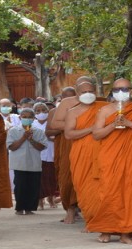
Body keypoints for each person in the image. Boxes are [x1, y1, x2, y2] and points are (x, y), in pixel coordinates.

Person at [90, 78, 132, 245]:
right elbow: (96, 134)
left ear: (131, 91)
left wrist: (129, 123)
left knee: (131, 193)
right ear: (112, 91)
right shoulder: (105, 110)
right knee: (108, 193)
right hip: (110, 157)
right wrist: (113, 125)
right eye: (117, 89)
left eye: (125, 89)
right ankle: (106, 230)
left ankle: (125, 233)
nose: (121, 92)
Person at [64, 79, 107, 224]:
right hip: (81, 154)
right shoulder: (72, 112)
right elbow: (69, 134)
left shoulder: (104, 107)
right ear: (77, 94)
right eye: (84, 92)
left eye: (91, 91)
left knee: (103, 187)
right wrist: (91, 128)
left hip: (102, 152)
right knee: (84, 187)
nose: (88, 94)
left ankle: (104, 221)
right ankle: (90, 220)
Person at [50, 81, 87, 224]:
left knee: (86, 180)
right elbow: (50, 129)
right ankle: (70, 211)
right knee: (67, 179)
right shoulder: (57, 111)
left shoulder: (93, 107)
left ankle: (87, 211)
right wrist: (71, 126)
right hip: (66, 148)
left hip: (86, 148)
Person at [7, 108, 47, 215]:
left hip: (34, 163)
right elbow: (11, 147)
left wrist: (31, 140)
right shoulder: (13, 131)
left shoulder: (39, 131)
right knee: (20, 186)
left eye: (29, 117)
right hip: (19, 163)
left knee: (33, 186)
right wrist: (23, 138)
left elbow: (42, 147)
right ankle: (19, 208)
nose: (27, 119)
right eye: (24, 117)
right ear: (20, 118)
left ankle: (29, 208)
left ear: (33, 119)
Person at [32, 102, 57, 209]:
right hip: (37, 155)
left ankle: (51, 198)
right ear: (34, 113)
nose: (41, 113)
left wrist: (49, 138)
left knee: (51, 177)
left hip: (51, 154)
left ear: (48, 112)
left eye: (44, 110)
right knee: (38, 178)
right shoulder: (32, 124)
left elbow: (58, 137)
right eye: (37, 111)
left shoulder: (53, 123)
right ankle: (39, 200)